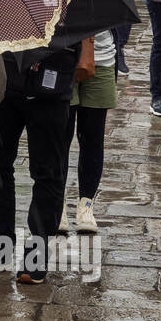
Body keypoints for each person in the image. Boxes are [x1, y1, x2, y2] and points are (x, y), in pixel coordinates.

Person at [0, 44, 77, 285]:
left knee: (48, 171)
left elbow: (85, 23)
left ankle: (38, 248)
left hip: (52, 80)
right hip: (5, 78)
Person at [58, 32, 116, 235]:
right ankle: (57, 204)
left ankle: (86, 205)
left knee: (92, 136)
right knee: (59, 137)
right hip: (61, 55)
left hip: (102, 58)